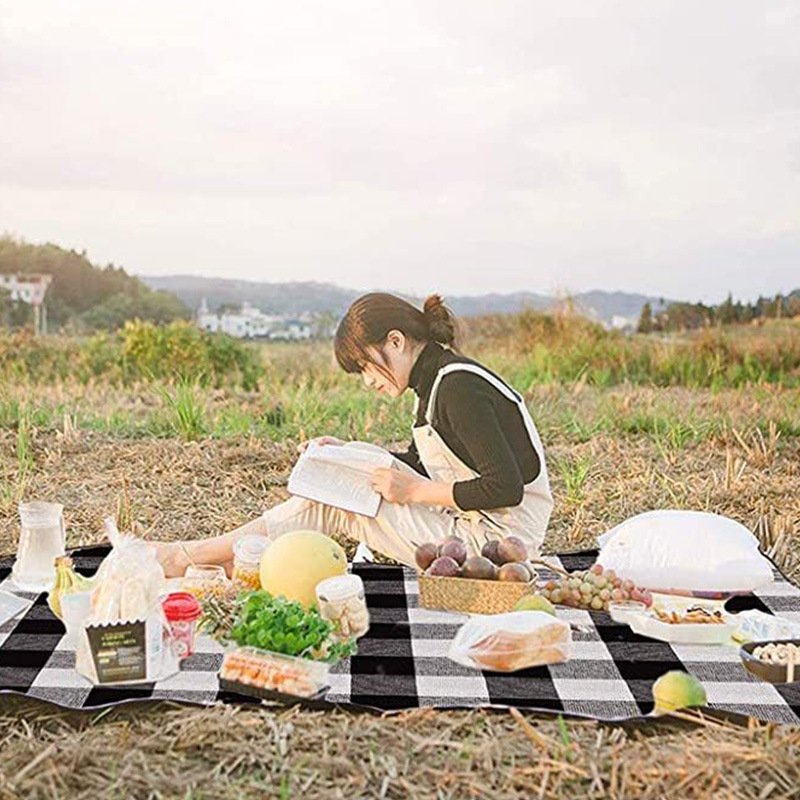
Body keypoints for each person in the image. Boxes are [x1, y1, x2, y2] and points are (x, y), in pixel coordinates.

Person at [155, 293, 552, 576]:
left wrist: (412, 492)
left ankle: (191, 558)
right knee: (338, 483)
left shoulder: (457, 388)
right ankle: (215, 564)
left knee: (340, 504)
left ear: (395, 341)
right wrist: (345, 454)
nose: (367, 382)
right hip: (476, 523)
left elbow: (504, 488)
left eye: (365, 366)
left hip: (499, 544)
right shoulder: (437, 381)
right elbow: (423, 464)